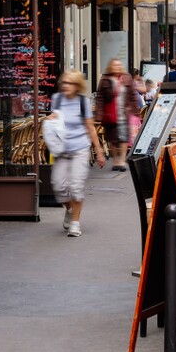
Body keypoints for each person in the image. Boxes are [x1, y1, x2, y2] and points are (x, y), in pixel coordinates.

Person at [49, 70, 106, 237]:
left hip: (80, 149)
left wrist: (99, 151)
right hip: (61, 149)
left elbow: (90, 127)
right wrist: (50, 120)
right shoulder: (57, 100)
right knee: (59, 186)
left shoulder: (83, 102)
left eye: (71, 83)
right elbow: (53, 121)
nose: (66, 86)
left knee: (76, 186)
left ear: (77, 85)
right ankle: (70, 209)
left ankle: (75, 223)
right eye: (64, 83)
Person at [95, 59, 139, 171]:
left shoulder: (127, 78)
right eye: (115, 65)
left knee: (124, 138)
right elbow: (100, 98)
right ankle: (115, 160)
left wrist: (135, 111)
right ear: (110, 67)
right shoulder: (105, 79)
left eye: (119, 65)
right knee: (112, 139)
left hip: (124, 112)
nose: (117, 67)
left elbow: (133, 95)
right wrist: (99, 113)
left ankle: (122, 160)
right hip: (110, 114)